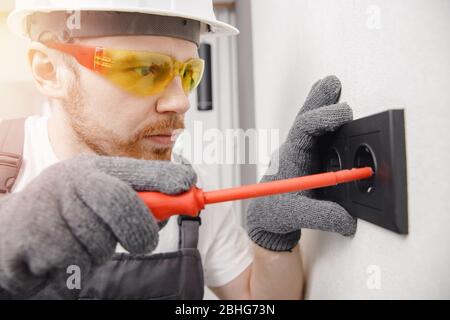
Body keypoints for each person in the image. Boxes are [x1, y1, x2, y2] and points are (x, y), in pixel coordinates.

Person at [0, 0, 356, 300]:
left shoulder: (191, 190)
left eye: (188, 74)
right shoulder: (7, 161)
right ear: (49, 70)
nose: (180, 102)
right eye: (143, 69)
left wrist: (272, 239)